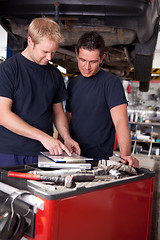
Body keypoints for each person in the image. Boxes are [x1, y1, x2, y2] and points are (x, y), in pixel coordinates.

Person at [0, 17, 80, 167]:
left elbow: (58, 112)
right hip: (9, 153)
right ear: (30, 41)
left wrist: (66, 137)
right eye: (45, 51)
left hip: (43, 154)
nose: (49, 57)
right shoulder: (8, 69)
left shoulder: (54, 74)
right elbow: (3, 115)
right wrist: (43, 137)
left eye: (53, 52)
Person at [65, 31, 139, 168]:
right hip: (72, 155)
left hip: (97, 159)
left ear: (101, 58)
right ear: (77, 54)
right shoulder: (73, 83)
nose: (87, 67)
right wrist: (61, 148)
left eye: (93, 61)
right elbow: (67, 118)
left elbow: (120, 121)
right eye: (83, 60)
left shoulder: (111, 83)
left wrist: (125, 154)